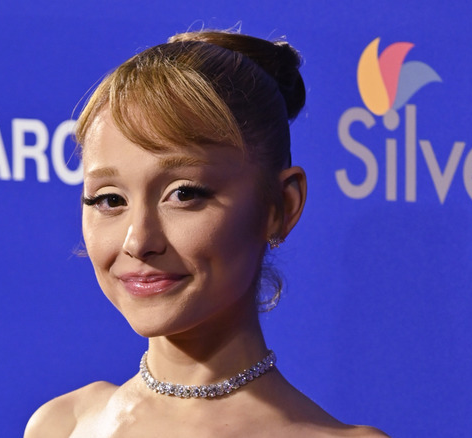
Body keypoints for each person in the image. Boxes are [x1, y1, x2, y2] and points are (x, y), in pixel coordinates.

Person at [25, 29, 388, 437]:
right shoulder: (62, 425)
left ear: (281, 207)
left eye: (183, 194)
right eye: (110, 199)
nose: (138, 242)